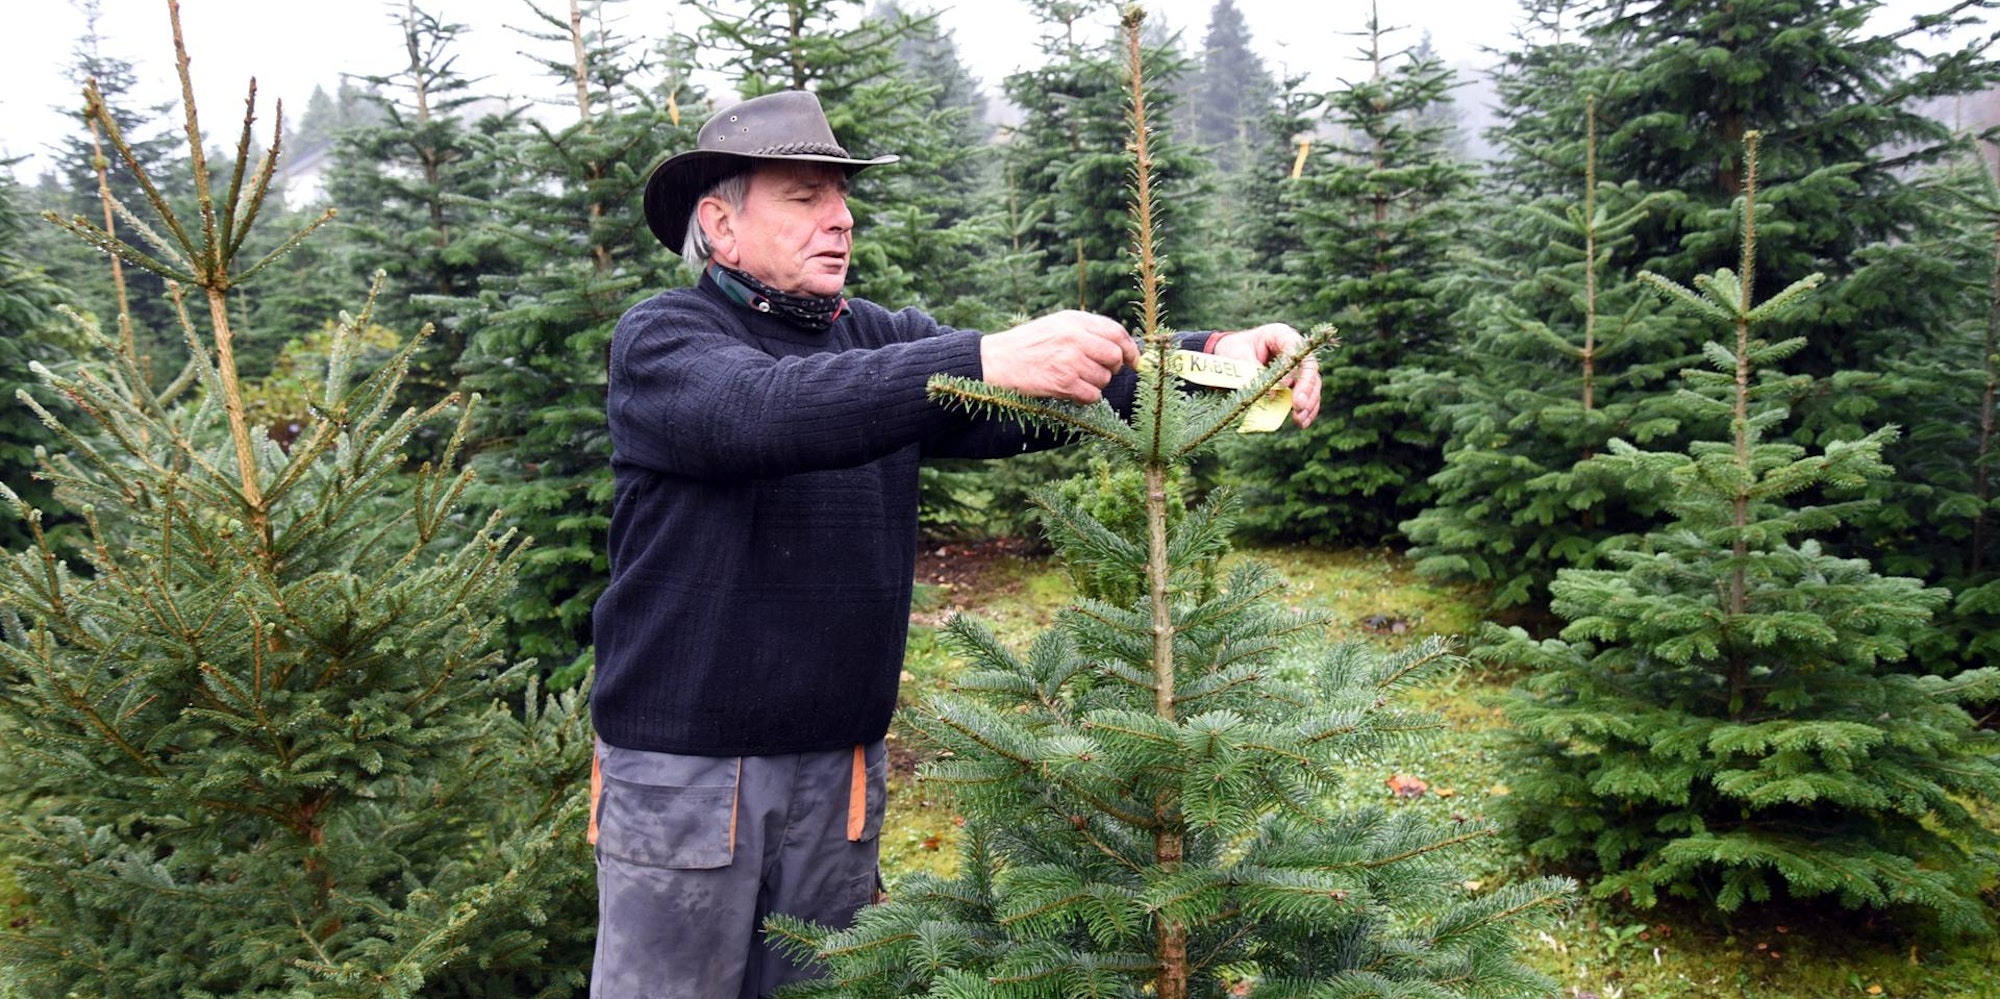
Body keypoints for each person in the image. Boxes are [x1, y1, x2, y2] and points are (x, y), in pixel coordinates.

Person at [588, 89, 1320, 998]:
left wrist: (1225, 359)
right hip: (688, 778)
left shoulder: (876, 338)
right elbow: (762, 414)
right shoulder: (665, 338)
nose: (840, 218)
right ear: (720, 225)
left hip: (840, 771)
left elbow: (1064, 391)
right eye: (804, 196)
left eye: (842, 197)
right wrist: (976, 359)